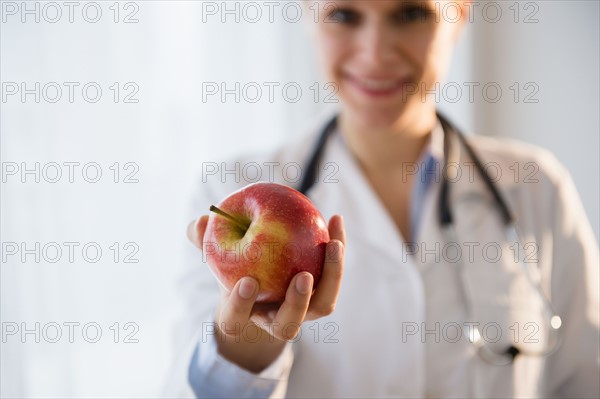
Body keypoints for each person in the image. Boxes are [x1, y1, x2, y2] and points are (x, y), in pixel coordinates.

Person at [174, 1, 600, 397]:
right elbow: (191, 387)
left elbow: (586, 378)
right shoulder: (226, 193)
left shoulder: (535, 186)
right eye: (344, 15)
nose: (375, 53)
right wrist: (248, 344)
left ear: (460, 14)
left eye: (411, 13)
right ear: (308, 13)